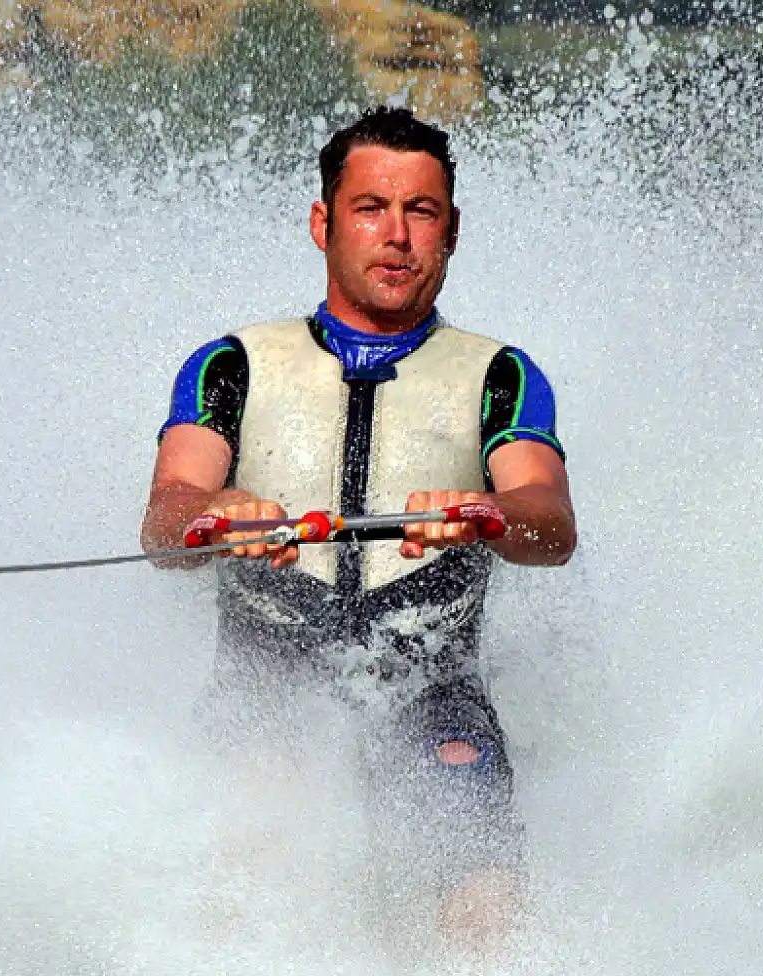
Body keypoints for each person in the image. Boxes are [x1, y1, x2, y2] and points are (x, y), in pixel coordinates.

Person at [140, 106, 577, 951]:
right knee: (237, 881)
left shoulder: (501, 376)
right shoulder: (232, 365)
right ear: (324, 223)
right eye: (371, 208)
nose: (398, 235)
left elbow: (550, 522)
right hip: (267, 694)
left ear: (452, 231)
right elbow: (165, 518)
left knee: (485, 903)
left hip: (430, 694)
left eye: (422, 211)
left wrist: (490, 516)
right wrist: (213, 514)